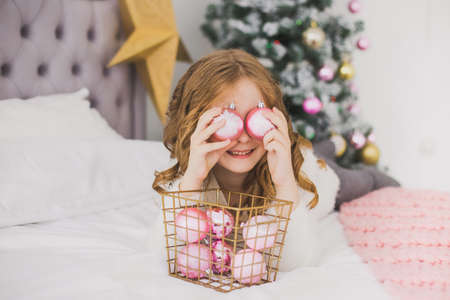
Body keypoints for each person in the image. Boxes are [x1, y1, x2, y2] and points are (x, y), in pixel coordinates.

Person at [152, 49, 340, 271]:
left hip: (317, 171)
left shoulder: (294, 173)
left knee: (339, 174)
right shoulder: (182, 180)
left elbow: (298, 263)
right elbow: (165, 259)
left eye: (256, 119)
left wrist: (285, 184)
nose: (243, 137)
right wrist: (193, 178)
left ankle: (330, 150)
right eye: (227, 121)